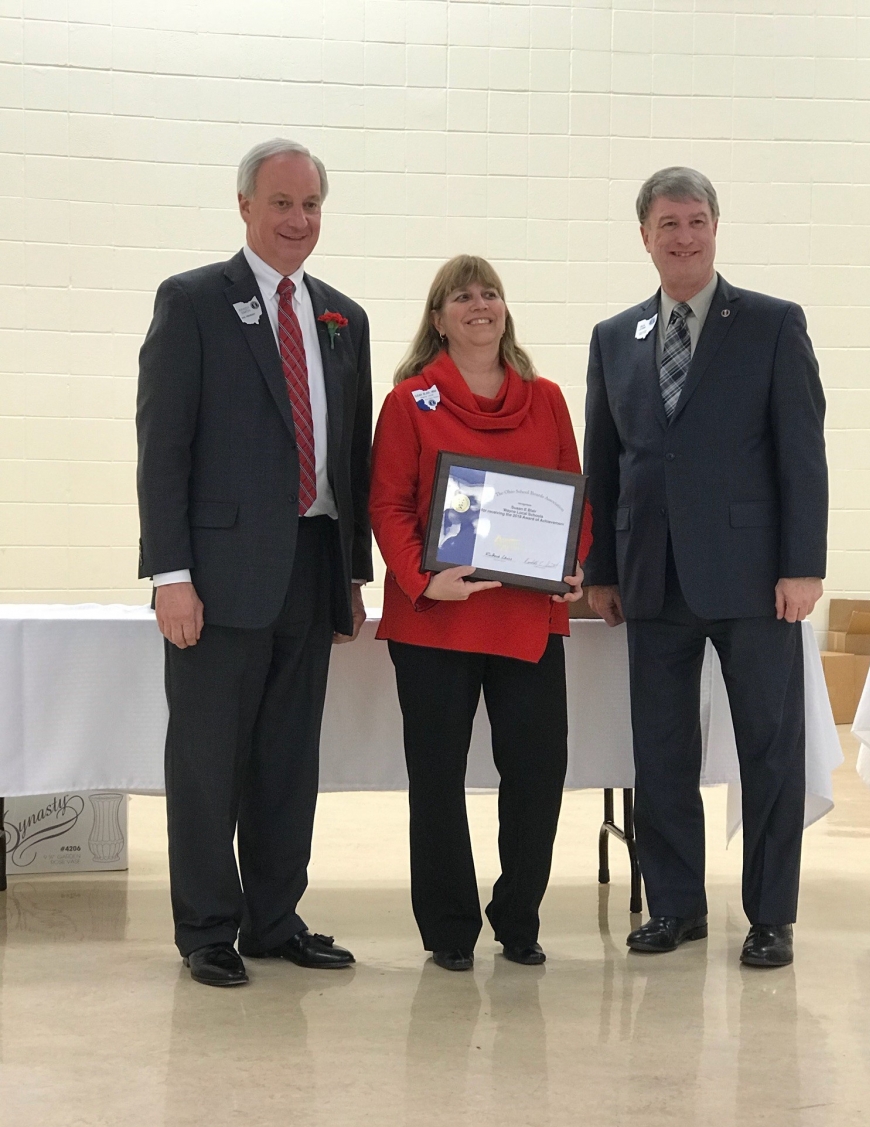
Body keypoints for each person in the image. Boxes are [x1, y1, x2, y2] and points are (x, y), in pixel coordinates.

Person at [136, 138, 372, 987]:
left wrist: (351, 574)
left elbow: (352, 453)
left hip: (311, 569)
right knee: (206, 760)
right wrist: (171, 575)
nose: (297, 221)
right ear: (244, 207)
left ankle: (275, 920)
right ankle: (207, 928)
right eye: (281, 204)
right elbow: (162, 449)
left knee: (286, 757)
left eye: (310, 206)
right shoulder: (195, 301)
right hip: (218, 574)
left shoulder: (344, 316)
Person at [583, 167, 828, 968]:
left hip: (756, 580)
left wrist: (802, 565)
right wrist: (602, 567)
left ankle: (770, 917)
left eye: (695, 221)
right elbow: (606, 463)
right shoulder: (616, 337)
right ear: (644, 236)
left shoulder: (770, 323)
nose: (682, 237)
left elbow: (802, 456)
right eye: (667, 224)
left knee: (767, 749)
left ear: (716, 226)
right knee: (660, 753)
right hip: (653, 580)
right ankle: (677, 907)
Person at [370, 255, 590, 972]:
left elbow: (571, 497)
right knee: (436, 779)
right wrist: (423, 579)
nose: (479, 304)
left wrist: (570, 565)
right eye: (461, 296)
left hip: (526, 619)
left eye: (489, 293)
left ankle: (519, 917)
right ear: (438, 319)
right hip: (435, 618)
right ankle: (449, 929)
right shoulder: (410, 402)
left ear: (505, 309)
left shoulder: (548, 398)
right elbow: (389, 503)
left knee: (537, 774)